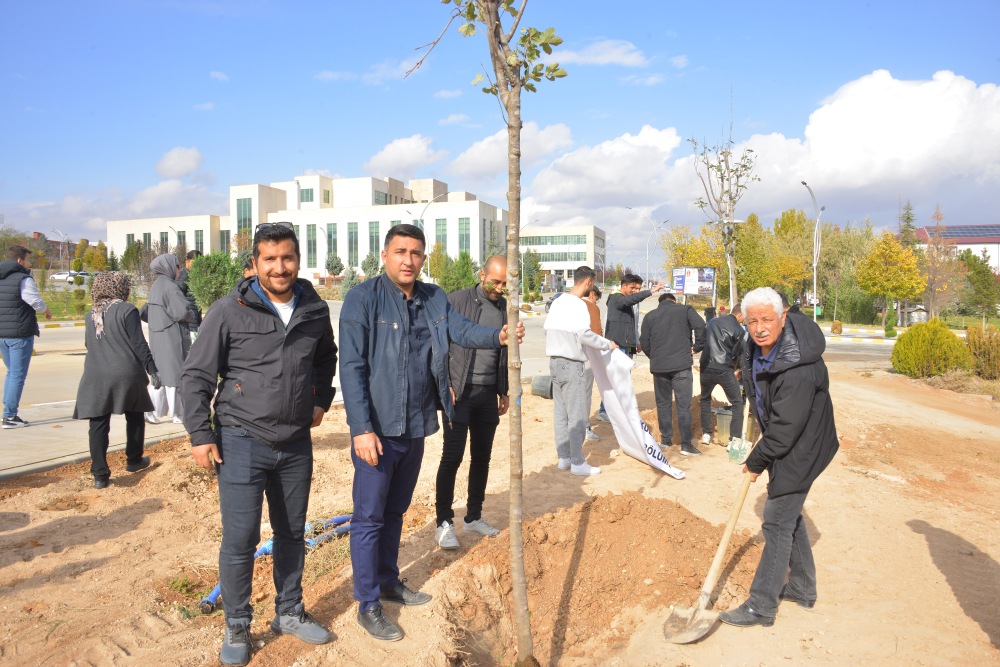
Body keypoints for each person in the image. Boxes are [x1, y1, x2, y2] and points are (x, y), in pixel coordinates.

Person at [339, 224, 522, 642]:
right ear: (385, 255)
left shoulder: (433, 298)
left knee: (395, 511)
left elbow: (461, 330)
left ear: (424, 258)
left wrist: (498, 335)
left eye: (416, 253)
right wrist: (361, 429)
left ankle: (388, 581)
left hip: (416, 424)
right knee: (369, 517)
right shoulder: (363, 299)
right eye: (400, 251)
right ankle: (367, 603)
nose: (408, 260)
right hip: (377, 431)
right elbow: (351, 367)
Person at [180, 222, 338, 665]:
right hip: (241, 439)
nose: (279, 267)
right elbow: (195, 375)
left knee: (291, 531)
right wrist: (199, 433)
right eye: (269, 259)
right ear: (255, 263)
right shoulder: (228, 311)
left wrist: (320, 400)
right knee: (240, 538)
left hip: (295, 443)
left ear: (298, 260)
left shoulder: (313, 309)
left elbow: (326, 357)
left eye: (287, 258)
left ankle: (289, 611)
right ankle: (237, 624)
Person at [719, 287, 838, 628]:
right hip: (786, 439)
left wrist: (756, 460)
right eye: (752, 321)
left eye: (767, 320)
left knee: (776, 519)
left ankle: (761, 606)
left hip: (803, 446)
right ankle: (801, 587)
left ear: (783, 317)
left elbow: (786, 428)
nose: (759, 328)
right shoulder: (756, 347)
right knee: (788, 514)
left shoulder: (798, 365)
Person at [434, 255, 510, 551]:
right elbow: (441, 347)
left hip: (487, 394)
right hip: (459, 393)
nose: (499, 288)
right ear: (482, 275)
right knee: (452, 457)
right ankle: (444, 522)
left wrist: (503, 390)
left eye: (505, 283)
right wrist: (447, 385)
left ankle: (474, 516)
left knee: (482, 458)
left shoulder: (505, 307)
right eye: (495, 282)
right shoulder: (456, 301)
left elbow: (503, 353)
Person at [73, 272, 158, 488]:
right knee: (135, 413)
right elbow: (139, 343)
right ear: (120, 288)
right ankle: (134, 460)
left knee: (98, 424)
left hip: (94, 376)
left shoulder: (91, 314)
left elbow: (88, 344)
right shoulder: (127, 310)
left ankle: (100, 475)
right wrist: (152, 369)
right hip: (126, 373)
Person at [544, 266, 618, 475]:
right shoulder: (578, 305)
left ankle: (564, 458)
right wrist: (607, 344)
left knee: (560, 413)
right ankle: (577, 462)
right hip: (571, 364)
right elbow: (585, 334)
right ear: (588, 282)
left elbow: (548, 330)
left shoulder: (558, 301)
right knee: (576, 415)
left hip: (555, 363)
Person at [639, 293, 706, 456]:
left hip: (659, 367)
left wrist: (655, 357)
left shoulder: (650, 316)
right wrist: (697, 347)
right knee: (683, 406)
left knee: (663, 404)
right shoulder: (685, 309)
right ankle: (686, 445)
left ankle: (665, 440)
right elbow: (701, 326)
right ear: (674, 301)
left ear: (660, 302)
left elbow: (644, 342)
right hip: (681, 366)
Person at [597, 273, 667, 421]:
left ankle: (619, 409)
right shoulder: (616, 298)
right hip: (617, 346)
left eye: (638, 288)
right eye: (633, 288)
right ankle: (604, 411)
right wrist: (651, 291)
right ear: (623, 286)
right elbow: (609, 321)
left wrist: (636, 341)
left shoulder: (630, 302)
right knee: (614, 379)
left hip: (627, 345)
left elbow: (632, 324)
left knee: (624, 379)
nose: (635, 291)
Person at [1, 245, 51, 429]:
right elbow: (34, 300)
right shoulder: (23, 279)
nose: (30, 264)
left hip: (2, 334)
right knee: (17, 375)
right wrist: (46, 310)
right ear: (19, 260)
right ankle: (10, 416)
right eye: (28, 260)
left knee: (12, 373)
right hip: (20, 334)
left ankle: (8, 412)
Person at [145, 254, 195, 424]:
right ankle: (177, 413)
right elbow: (182, 312)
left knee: (162, 376)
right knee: (175, 376)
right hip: (172, 337)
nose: (179, 269)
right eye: (177, 266)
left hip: (158, 336)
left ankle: (151, 410)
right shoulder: (170, 287)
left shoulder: (157, 285)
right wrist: (191, 314)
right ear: (168, 267)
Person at [699, 303, 745, 447]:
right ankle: (733, 440)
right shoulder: (739, 330)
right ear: (740, 315)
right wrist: (738, 370)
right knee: (737, 403)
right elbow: (736, 353)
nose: (744, 320)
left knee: (705, 399)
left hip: (706, 366)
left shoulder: (712, 322)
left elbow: (703, 341)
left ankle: (706, 434)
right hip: (724, 368)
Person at [583, 286, 603, 442]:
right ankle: (584, 427)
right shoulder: (591, 307)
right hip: (586, 355)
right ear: (591, 295)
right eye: (596, 299)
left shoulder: (566, 303)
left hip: (563, 357)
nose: (596, 302)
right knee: (584, 393)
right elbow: (596, 332)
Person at [177, 249, 203, 358]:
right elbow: (178, 299)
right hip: (189, 325)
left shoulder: (195, 276)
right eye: (195, 263)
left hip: (196, 322)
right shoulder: (183, 277)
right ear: (187, 262)